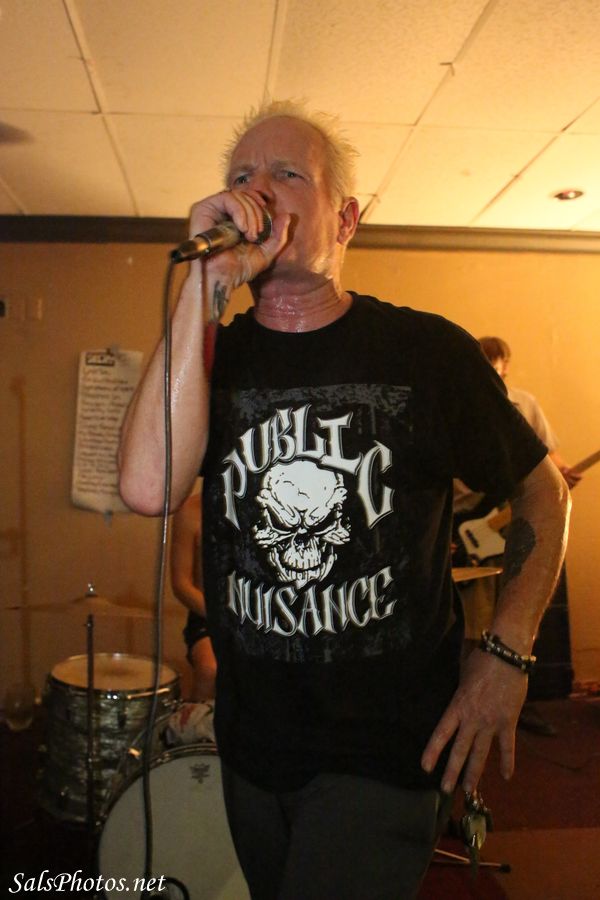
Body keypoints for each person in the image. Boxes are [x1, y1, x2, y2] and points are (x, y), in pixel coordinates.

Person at [118, 100, 570, 900]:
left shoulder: (424, 352)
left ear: (347, 219)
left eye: (287, 173)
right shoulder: (215, 356)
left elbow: (542, 490)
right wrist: (202, 287)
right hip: (253, 746)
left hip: (384, 750)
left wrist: (506, 652)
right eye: (241, 176)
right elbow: (147, 487)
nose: (258, 190)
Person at [170, 487, 217, 701]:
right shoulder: (191, 510)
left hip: (257, 615)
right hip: (207, 614)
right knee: (210, 669)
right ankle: (197, 718)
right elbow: (181, 585)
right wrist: (224, 618)